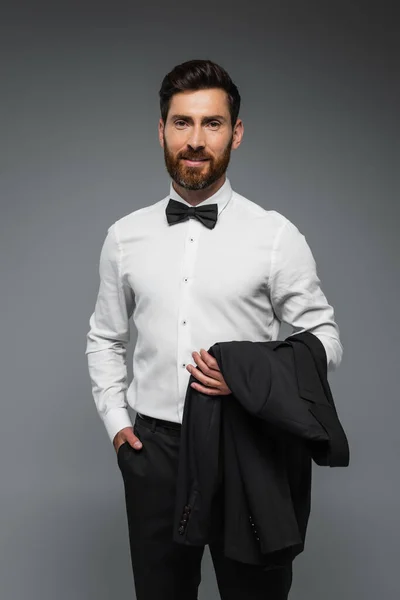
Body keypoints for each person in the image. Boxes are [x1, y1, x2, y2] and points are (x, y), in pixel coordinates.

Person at [85, 58, 343, 600]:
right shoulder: (124, 236)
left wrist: (249, 377)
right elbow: (105, 338)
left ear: (236, 133)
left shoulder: (276, 236)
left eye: (212, 123)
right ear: (161, 130)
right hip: (154, 452)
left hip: (247, 445)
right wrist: (116, 423)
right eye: (182, 123)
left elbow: (326, 341)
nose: (196, 140)